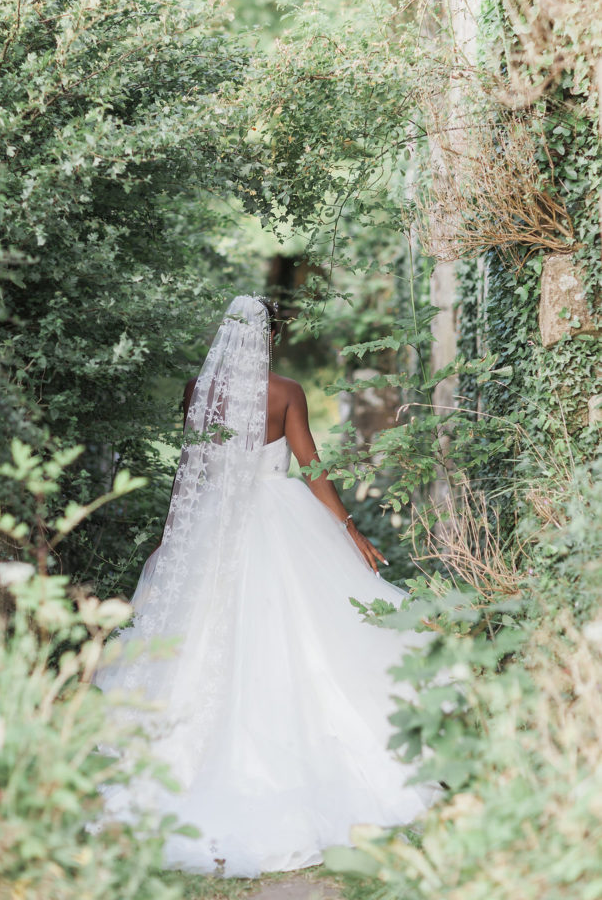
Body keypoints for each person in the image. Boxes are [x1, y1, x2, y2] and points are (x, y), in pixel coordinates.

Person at [92, 295, 437, 877]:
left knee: (202, 632)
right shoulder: (285, 392)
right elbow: (311, 466)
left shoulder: (197, 392)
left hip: (212, 529)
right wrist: (350, 532)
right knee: (303, 628)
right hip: (279, 518)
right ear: (269, 336)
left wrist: (173, 539)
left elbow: (192, 477)